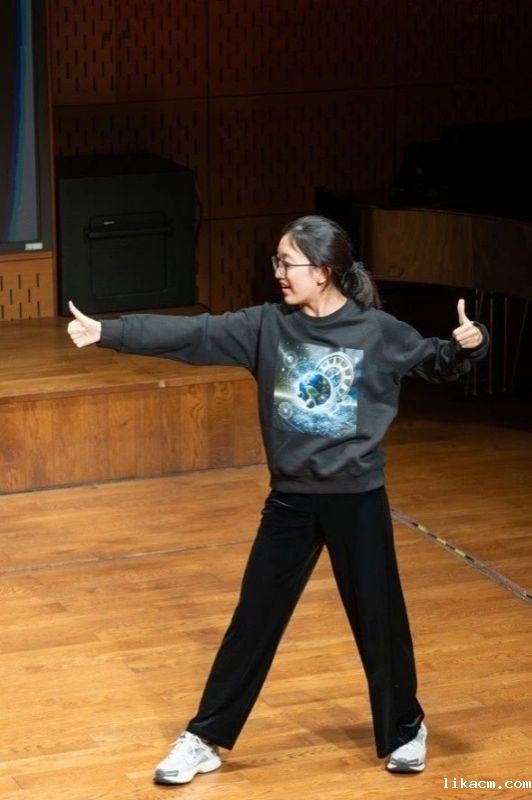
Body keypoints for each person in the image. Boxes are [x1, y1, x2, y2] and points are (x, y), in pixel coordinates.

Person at [67, 215, 489, 784]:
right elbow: (194, 335)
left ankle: (406, 727)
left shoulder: (376, 331)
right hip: (290, 501)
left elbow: (436, 360)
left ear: (323, 271)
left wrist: (471, 344)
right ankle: (205, 737)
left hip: (357, 500)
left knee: (379, 620)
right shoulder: (267, 326)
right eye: (277, 262)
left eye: (287, 263)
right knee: (253, 622)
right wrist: (110, 332)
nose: (279, 273)